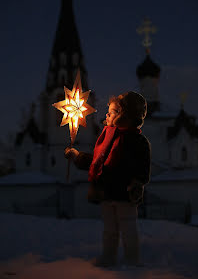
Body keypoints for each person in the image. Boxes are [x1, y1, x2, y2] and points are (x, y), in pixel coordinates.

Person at [64, 91, 151, 267]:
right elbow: (97, 162)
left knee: (128, 228)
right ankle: (108, 257)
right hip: (107, 191)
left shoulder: (137, 141)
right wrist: (77, 156)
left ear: (125, 115)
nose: (107, 114)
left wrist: (137, 182)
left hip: (125, 193)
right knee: (109, 230)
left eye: (112, 112)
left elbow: (143, 166)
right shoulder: (108, 137)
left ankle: (132, 259)